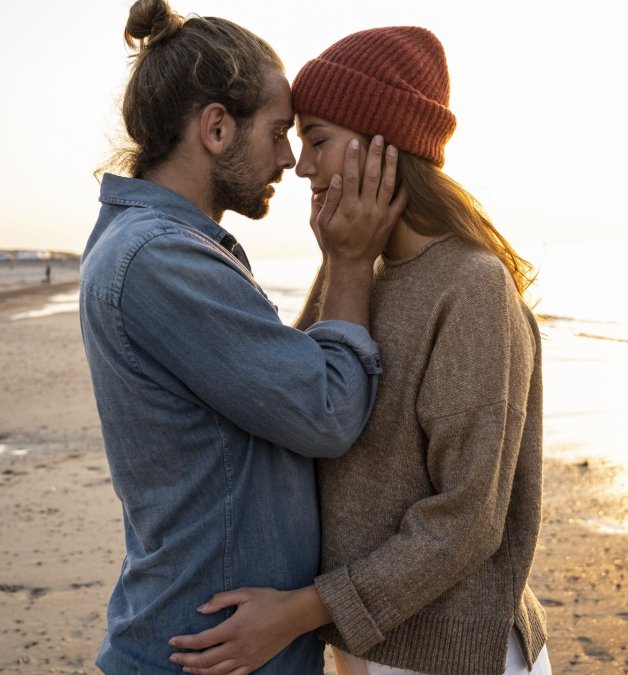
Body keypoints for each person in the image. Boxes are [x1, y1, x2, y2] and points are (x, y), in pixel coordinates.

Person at [169, 26, 551, 675]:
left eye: (317, 138)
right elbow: (294, 416)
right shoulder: (352, 271)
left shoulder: (471, 286)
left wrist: (294, 611)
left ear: (384, 145)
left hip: (456, 653)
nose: (303, 165)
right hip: (362, 646)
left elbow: (468, 520)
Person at [79, 1, 403, 672]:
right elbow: (326, 411)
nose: (289, 158)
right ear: (217, 128)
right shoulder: (159, 260)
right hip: (206, 654)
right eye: (281, 131)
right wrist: (347, 263)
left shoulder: (155, 245)